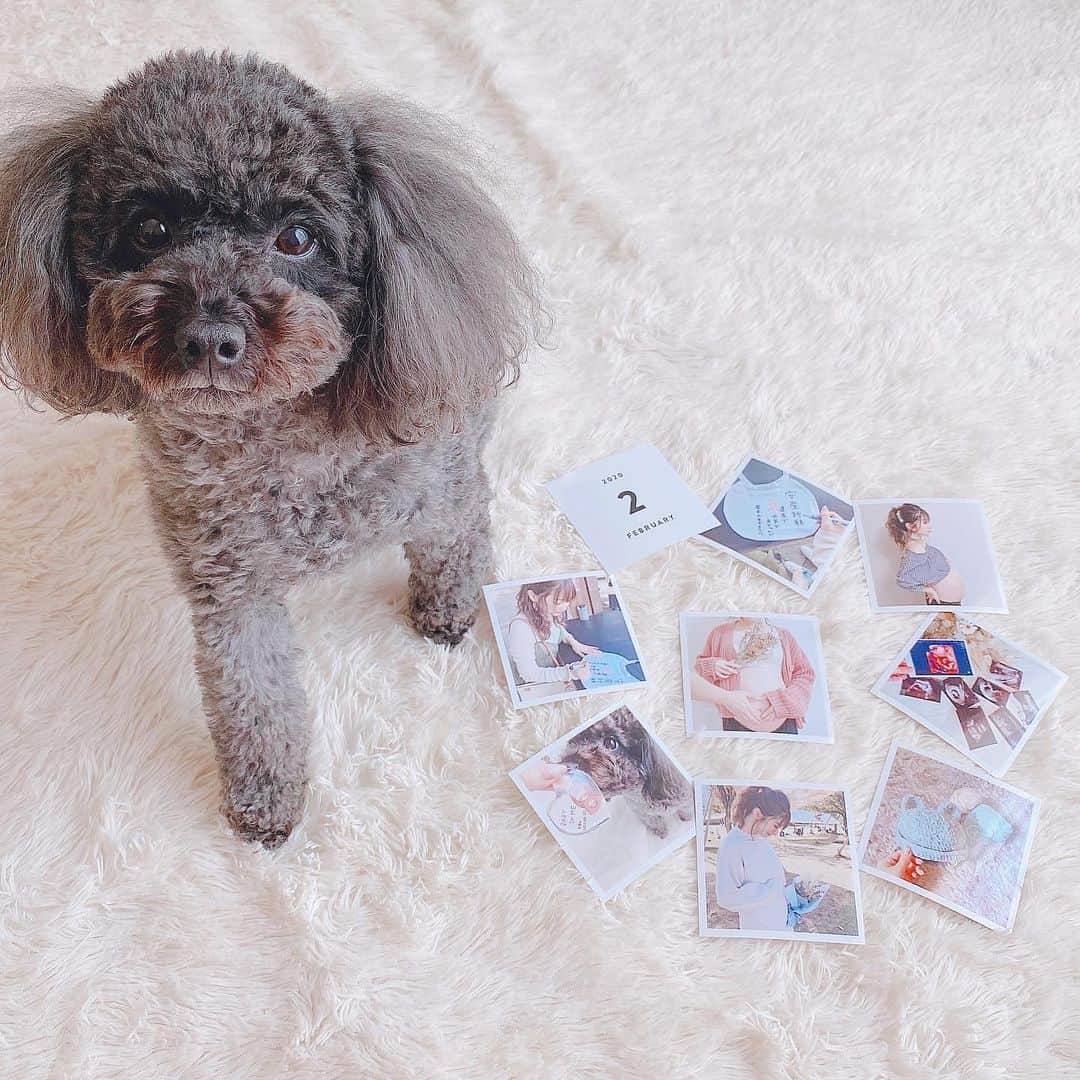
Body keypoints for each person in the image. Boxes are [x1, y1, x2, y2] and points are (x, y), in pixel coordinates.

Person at [690, 617, 815, 734]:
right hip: (737, 720)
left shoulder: (783, 635)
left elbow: (804, 674)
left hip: (784, 720)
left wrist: (785, 702)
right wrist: (712, 666)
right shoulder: (720, 633)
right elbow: (698, 672)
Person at [713, 786, 791, 930]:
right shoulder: (732, 846)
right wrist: (772, 891)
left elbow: (775, 880)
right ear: (757, 814)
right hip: (759, 930)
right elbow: (726, 897)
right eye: (776, 825)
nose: (776, 833)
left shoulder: (761, 840)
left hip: (782, 924)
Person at [506, 579, 602, 692]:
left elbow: (559, 630)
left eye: (568, 601)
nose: (564, 607)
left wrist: (574, 642)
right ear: (533, 596)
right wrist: (570, 673)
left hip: (553, 674)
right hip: (537, 687)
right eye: (558, 602)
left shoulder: (547, 611)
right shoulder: (520, 628)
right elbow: (529, 674)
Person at [886, 503, 965, 605]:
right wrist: (928, 590)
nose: (929, 526)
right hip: (942, 603)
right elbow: (903, 580)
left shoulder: (920, 545)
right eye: (924, 522)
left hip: (947, 602)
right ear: (910, 526)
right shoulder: (914, 550)